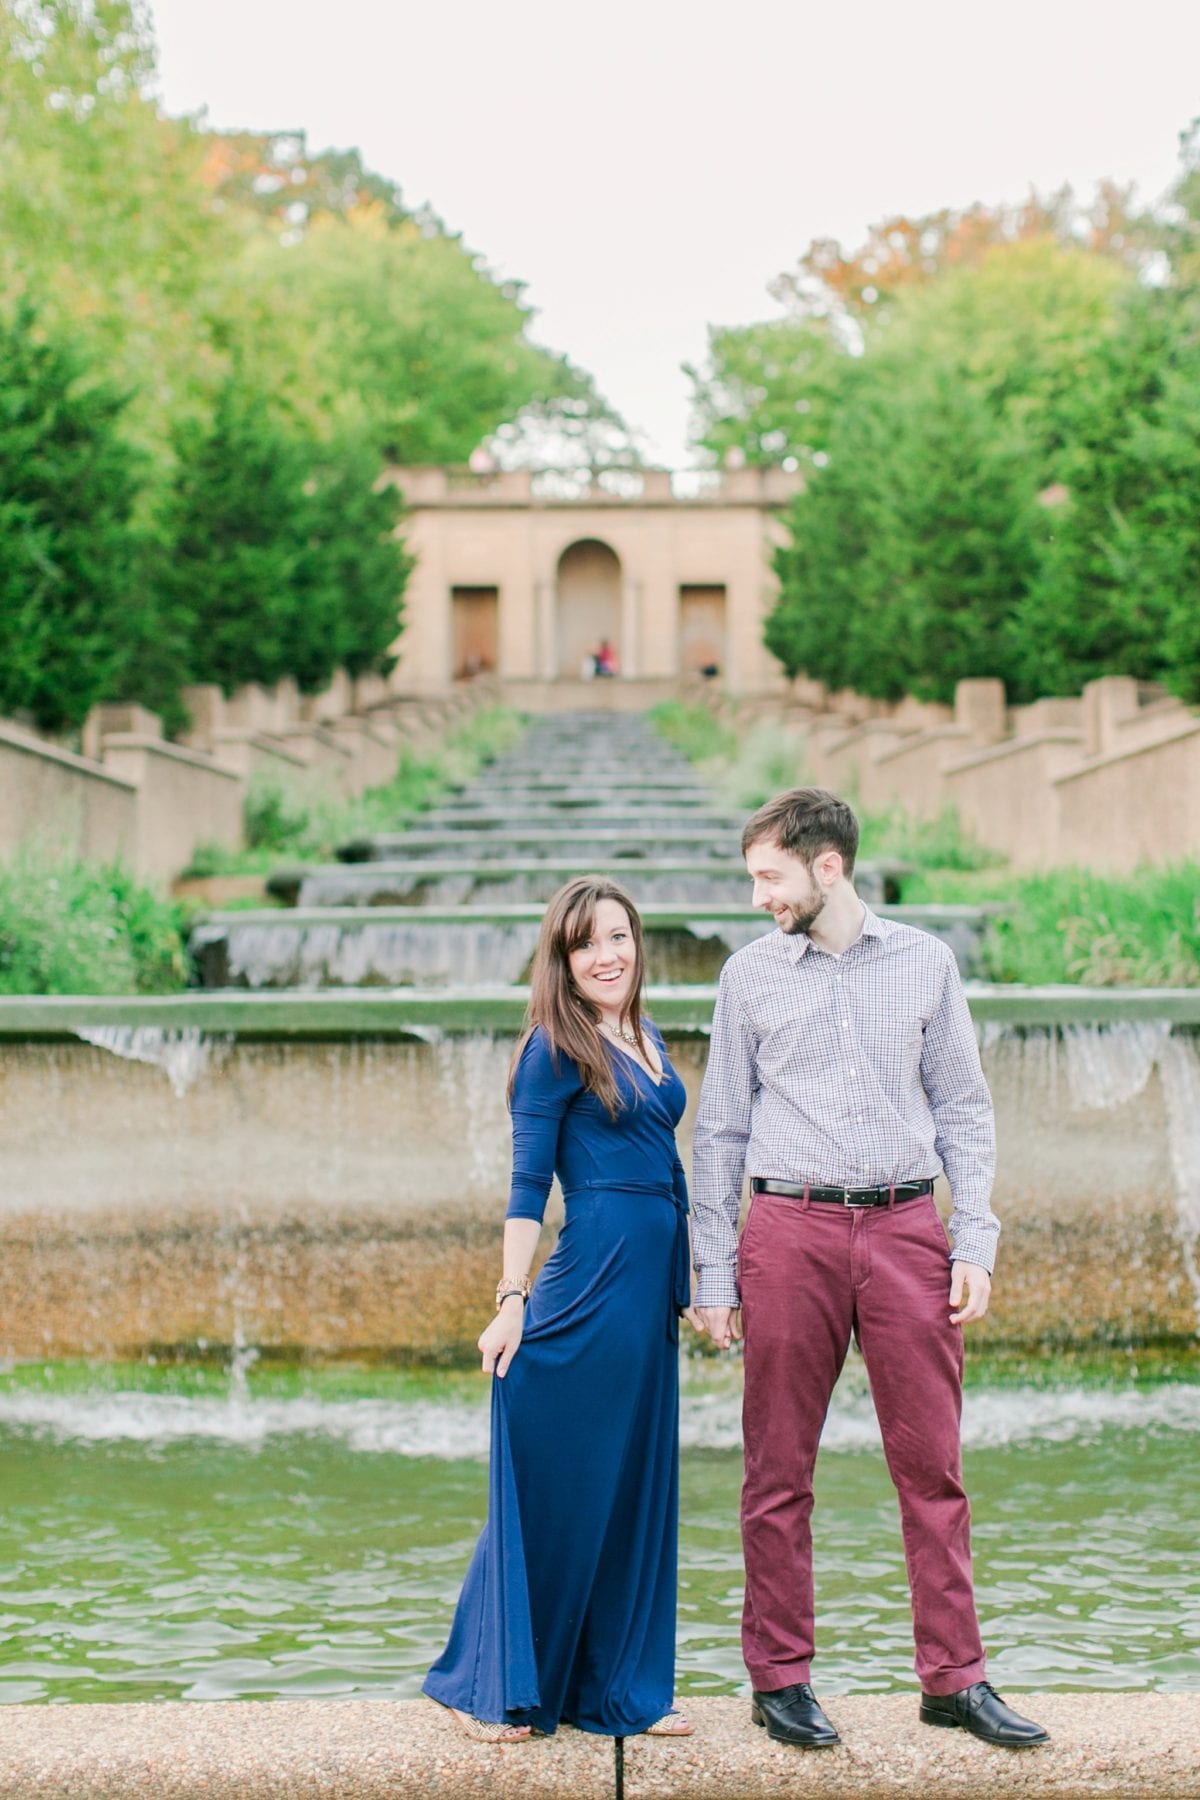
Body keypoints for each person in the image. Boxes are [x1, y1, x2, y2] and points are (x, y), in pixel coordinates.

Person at [690, 788, 1049, 1751]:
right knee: (776, 1471)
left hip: (904, 1232)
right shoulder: (748, 977)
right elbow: (718, 1130)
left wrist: (973, 1239)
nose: (760, 895)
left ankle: (954, 1680)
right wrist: (712, 1274)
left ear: (828, 866)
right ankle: (779, 1680)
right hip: (787, 1231)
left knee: (933, 1468)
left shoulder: (927, 964)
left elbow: (964, 1110)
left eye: (771, 876)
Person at [424, 875, 700, 1743]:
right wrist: (511, 1302)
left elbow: (668, 1168)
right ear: (563, 959)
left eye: (619, 936)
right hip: (587, 1293)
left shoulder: (644, 1032)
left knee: (628, 1491)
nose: (608, 954)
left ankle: (614, 1692)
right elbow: (525, 1188)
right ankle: (490, 1689)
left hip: (646, 1300)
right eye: (588, 944)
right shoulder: (553, 1047)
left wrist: (692, 1285)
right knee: (559, 1490)